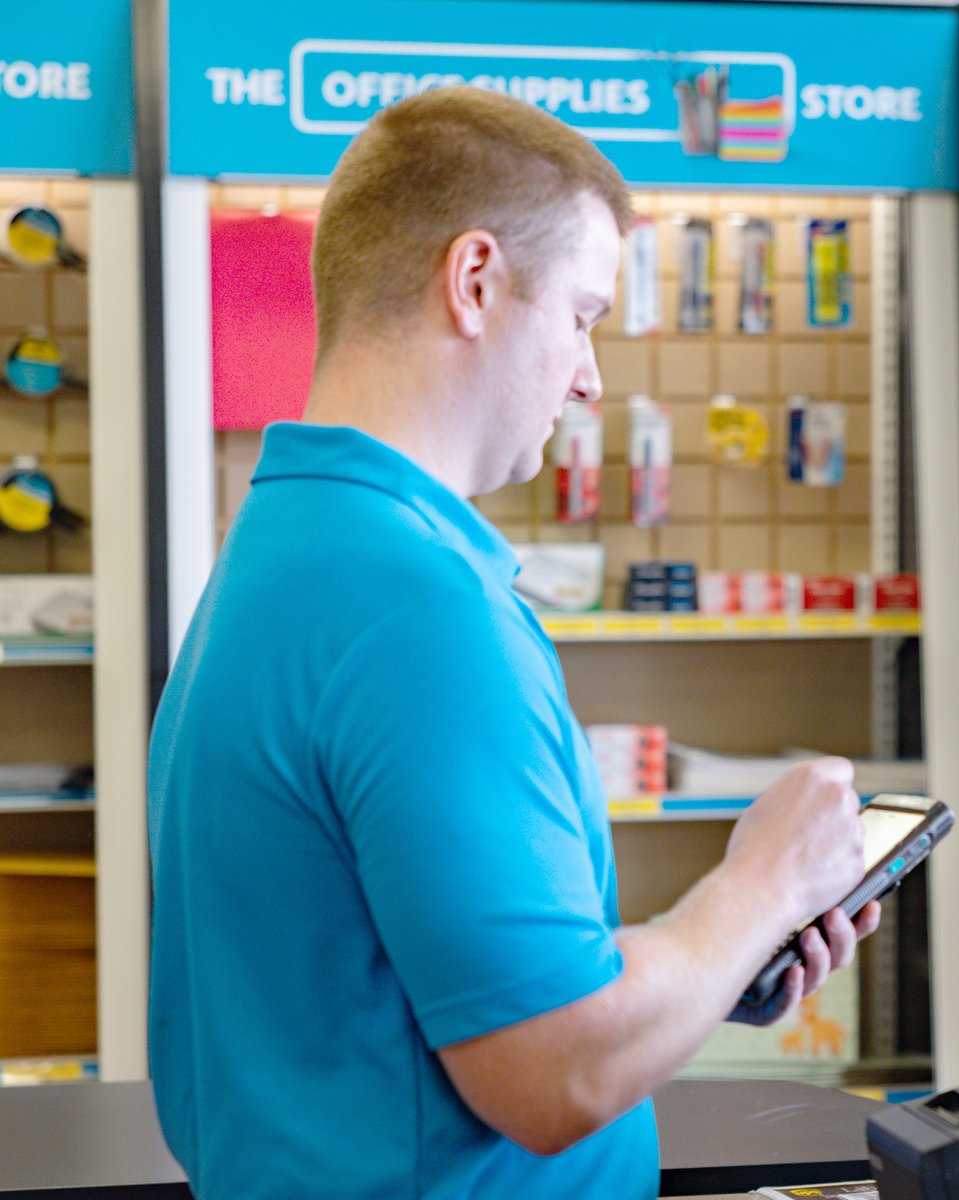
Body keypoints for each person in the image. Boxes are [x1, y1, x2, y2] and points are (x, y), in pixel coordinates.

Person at [147, 87, 878, 1199]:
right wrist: (763, 888)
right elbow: (552, 1073)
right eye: (582, 315)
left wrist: (723, 960)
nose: (591, 376)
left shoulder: (291, 546)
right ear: (476, 280)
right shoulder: (419, 615)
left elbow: (420, 985)